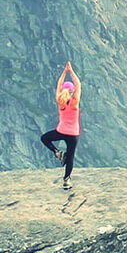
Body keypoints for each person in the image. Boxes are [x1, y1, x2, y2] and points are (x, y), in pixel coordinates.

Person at [41, 61, 82, 189]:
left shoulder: (60, 101)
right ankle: (66, 180)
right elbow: (78, 85)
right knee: (70, 157)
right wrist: (71, 71)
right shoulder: (74, 102)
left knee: (45, 138)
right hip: (73, 134)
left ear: (64, 90)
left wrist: (64, 72)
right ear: (72, 91)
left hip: (61, 131)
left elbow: (58, 85)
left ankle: (57, 152)